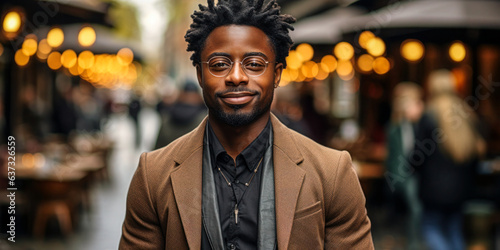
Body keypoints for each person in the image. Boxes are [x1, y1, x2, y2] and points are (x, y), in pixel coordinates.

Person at [119, 0, 373, 249]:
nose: (236, 76)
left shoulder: (332, 173)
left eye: (254, 64)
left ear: (276, 74)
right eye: (219, 65)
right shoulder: (153, 175)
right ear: (199, 74)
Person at [412, 70, 485, 250]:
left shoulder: (430, 116)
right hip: (461, 189)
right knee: (454, 230)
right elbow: (476, 154)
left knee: (431, 228)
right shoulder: (467, 114)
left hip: (433, 189)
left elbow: (417, 156)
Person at [385, 82, 424, 250]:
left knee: (416, 210)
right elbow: (395, 157)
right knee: (415, 209)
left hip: (418, 174)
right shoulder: (396, 128)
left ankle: (414, 241)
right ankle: (413, 244)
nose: (420, 106)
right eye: (416, 102)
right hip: (405, 176)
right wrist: (398, 180)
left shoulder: (421, 125)